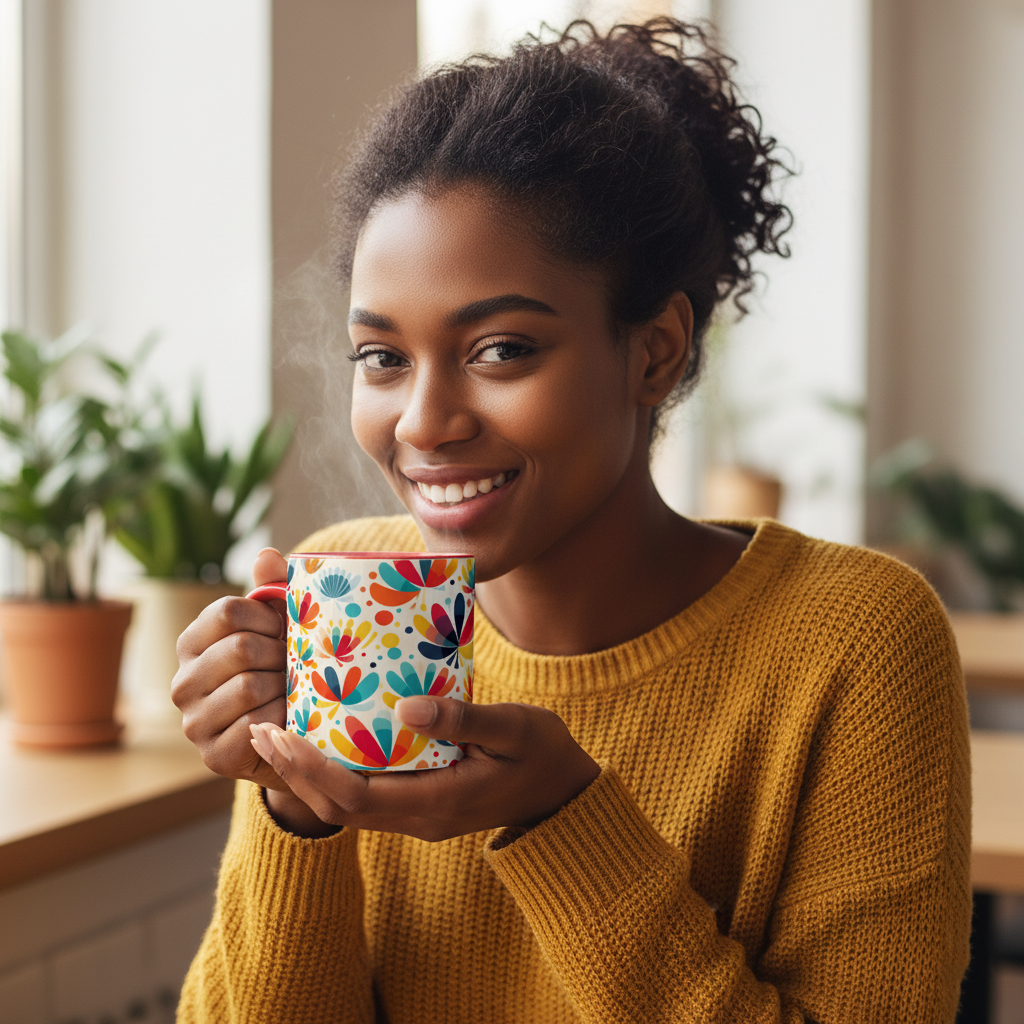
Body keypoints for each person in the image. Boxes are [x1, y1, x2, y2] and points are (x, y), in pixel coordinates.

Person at [173, 18, 971, 1024]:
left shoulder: (854, 643)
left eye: (501, 348)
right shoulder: (344, 604)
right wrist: (299, 811)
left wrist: (563, 822)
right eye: (381, 357)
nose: (423, 421)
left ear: (655, 353)